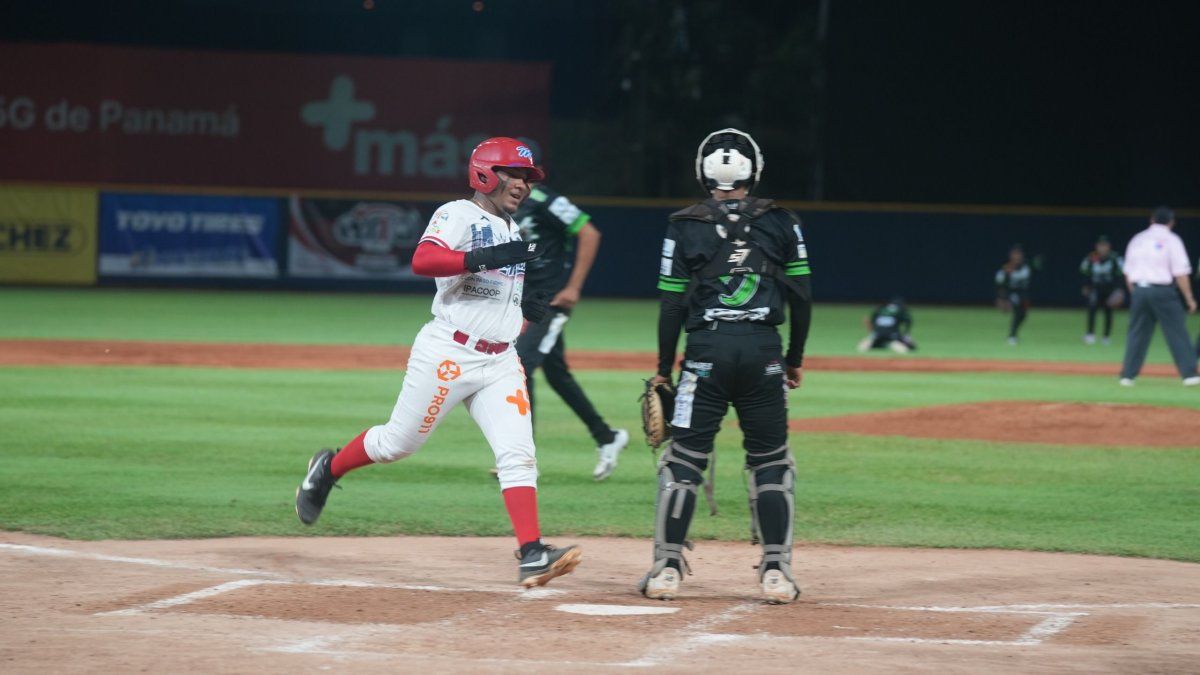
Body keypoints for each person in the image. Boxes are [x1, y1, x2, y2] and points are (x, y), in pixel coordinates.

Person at [293, 137, 583, 587]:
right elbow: (423, 259)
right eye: (514, 173)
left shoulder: (513, 231)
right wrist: (483, 257)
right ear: (485, 173)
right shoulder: (457, 214)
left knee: (519, 454)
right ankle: (326, 470)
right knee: (397, 444)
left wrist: (526, 309)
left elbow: (497, 297)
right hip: (449, 352)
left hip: (500, 361)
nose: (523, 184)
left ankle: (531, 553)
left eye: (528, 177)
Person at [642, 128, 812, 604]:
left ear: (703, 173)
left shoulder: (683, 224)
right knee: (771, 462)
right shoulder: (783, 221)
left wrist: (664, 368)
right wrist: (793, 360)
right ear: (753, 172)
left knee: (683, 460)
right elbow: (802, 298)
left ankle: (666, 570)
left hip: (705, 355)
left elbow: (671, 305)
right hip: (763, 354)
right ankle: (776, 573)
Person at [513, 183, 629, 480]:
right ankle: (607, 437)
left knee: (520, 366)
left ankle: (522, 458)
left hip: (550, 300)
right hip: (523, 300)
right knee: (557, 374)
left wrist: (573, 288)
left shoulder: (545, 200)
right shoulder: (502, 202)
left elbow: (589, 233)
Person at [1118, 206, 1200, 386]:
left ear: (1152, 220)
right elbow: (1180, 273)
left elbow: (1128, 272)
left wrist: (1137, 293)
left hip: (1140, 290)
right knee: (1177, 332)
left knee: (1137, 334)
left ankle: (1127, 376)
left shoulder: (1138, 239)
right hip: (1162, 291)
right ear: (1171, 222)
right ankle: (1189, 375)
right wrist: (1189, 298)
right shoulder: (1172, 240)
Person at [1079, 235, 1124, 345]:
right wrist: (1085, 286)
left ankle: (1106, 337)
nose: (1102, 248)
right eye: (1100, 245)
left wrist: (1119, 290)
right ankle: (1090, 334)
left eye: (1105, 245)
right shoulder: (1092, 257)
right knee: (1092, 309)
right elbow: (1085, 272)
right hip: (1095, 288)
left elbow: (1120, 274)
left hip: (1110, 289)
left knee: (1108, 311)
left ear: (1109, 246)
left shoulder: (1114, 258)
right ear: (1097, 246)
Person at [995, 244, 1032, 345]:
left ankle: (1013, 335)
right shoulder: (1007, 268)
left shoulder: (1026, 266)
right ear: (1011, 255)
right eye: (1015, 254)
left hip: (1023, 294)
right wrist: (1002, 298)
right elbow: (1000, 284)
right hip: (1011, 293)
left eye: (1019, 254)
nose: (1017, 256)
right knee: (1018, 309)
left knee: (1023, 314)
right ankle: (1012, 336)